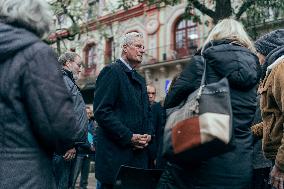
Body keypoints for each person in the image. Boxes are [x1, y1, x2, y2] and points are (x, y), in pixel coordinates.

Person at [156, 18, 260, 189]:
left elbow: (170, 102)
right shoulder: (255, 70)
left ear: (216, 35)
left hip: (202, 159)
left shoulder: (201, 63)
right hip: (240, 165)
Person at [0, 0, 86, 188]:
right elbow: (59, 123)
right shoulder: (36, 53)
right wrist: (66, 143)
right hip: (25, 174)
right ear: (38, 19)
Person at [93, 32, 153, 189]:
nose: (142, 50)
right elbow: (102, 112)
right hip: (116, 160)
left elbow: (147, 114)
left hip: (137, 161)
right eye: (138, 46)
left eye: (143, 47)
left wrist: (148, 135)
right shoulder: (112, 71)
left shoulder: (140, 79)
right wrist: (129, 137)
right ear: (125, 48)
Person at [251, 29, 284, 189]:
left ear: (268, 51)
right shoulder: (274, 71)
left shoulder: (281, 69)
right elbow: (277, 118)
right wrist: (252, 132)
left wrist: (280, 165)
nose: (257, 58)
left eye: (258, 52)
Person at [53, 52, 88, 189]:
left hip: (67, 147)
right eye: (78, 65)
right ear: (68, 63)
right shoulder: (62, 80)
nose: (80, 69)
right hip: (64, 149)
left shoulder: (66, 81)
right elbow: (59, 115)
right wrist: (69, 144)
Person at [70, 106, 96, 189]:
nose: (88, 114)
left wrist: (93, 146)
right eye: (87, 113)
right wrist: (89, 146)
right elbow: (78, 137)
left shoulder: (92, 124)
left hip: (88, 154)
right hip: (80, 153)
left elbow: (94, 136)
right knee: (74, 176)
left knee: (85, 178)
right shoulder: (79, 123)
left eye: (89, 113)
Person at [146, 85, 166, 169]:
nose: (150, 96)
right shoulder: (140, 107)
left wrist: (157, 156)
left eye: (153, 93)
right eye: (148, 93)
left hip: (153, 151)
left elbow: (159, 133)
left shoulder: (158, 108)